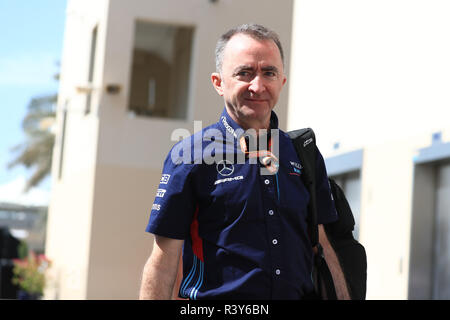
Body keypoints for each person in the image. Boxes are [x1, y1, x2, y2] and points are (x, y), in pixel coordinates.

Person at [139, 23, 341, 300]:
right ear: (219, 82)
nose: (257, 86)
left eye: (268, 73)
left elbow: (325, 248)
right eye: (244, 73)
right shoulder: (189, 156)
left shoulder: (302, 153)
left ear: (281, 82)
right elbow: (164, 262)